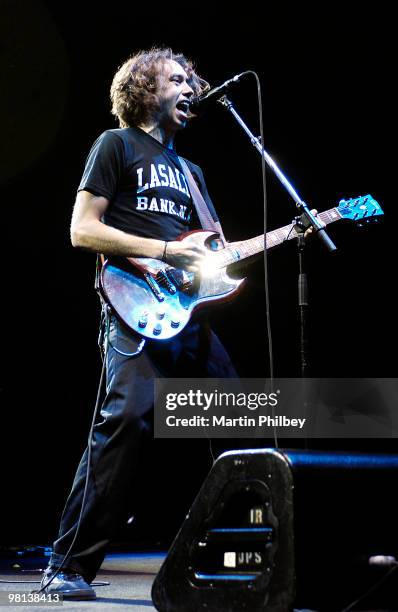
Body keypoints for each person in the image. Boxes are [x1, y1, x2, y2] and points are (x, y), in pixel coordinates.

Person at [40, 47, 238, 600]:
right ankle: (67, 565)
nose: (190, 88)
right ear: (145, 89)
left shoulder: (192, 173)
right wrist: (163, 251)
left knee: (240, 416)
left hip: (184, 313)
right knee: (124, 422)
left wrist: (292, 231)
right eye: (177, 79)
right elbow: (83, 230)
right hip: (132, 304)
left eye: (190, 80)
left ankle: (234, 553)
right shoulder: (116, 144)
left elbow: (213, 253)